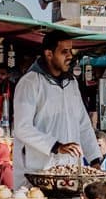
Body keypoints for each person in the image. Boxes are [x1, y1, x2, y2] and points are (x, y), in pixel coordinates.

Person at [13, 30, 101, 188]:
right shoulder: (30, 82)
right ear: (49, 54)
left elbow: (83, 124)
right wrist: (55, 146)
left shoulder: (71, 83)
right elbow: (22, 128)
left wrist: (95, 160)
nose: (70, 56)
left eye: (70, 51)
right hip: (38, 173)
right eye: (64, 51)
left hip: (70, 173)